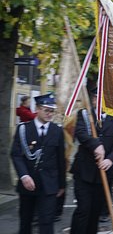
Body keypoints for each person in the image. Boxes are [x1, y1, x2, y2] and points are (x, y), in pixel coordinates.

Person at [69, 88, 113, 234]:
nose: (99, 102)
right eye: (97, 98)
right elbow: (80, 133)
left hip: (104, 173)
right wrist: (96, 145)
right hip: (84, 172)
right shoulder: (85, 115)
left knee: (95, 212)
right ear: (93, 100)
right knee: (83, 210)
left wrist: (111, 160)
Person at [11, 93, 66, 234]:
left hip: (49, 185)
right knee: (26, 221)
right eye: (46, 110)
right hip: (28, 184)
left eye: (52, 111)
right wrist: (23, 176)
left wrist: (62, 184)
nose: (49, 114)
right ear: (37, 109)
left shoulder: (57, 130)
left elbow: (60, 159)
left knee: (47, 222)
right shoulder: (23, 129)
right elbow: (16, 154)